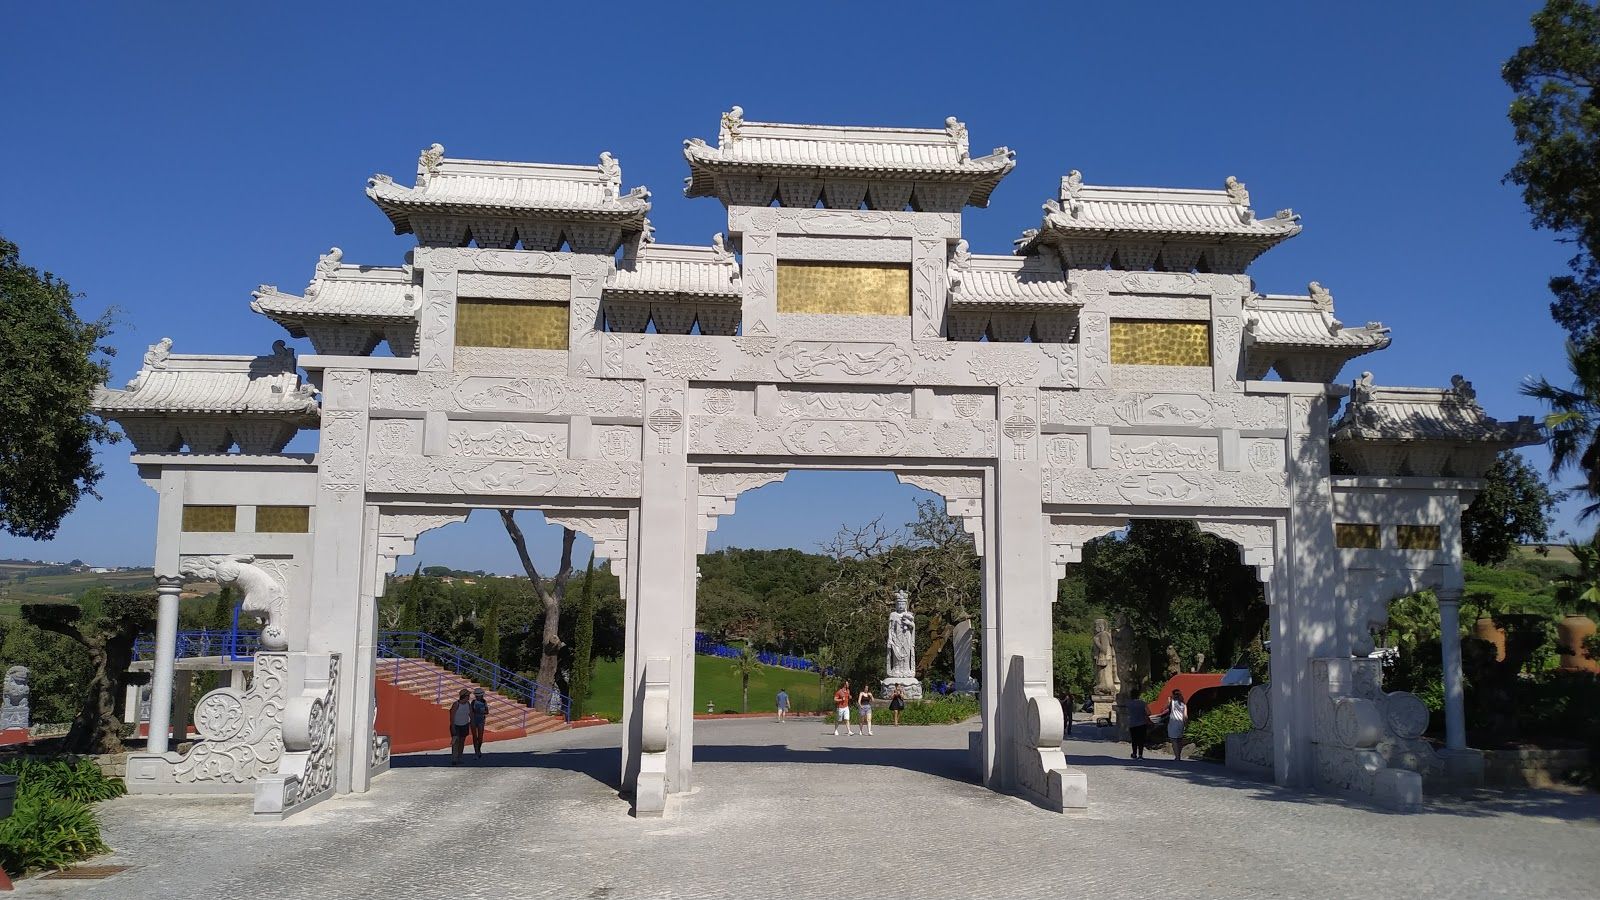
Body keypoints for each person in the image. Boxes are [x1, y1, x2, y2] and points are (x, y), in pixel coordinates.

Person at [448, 688, 471, 766]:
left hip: (465, 725)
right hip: (456, 725)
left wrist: (472, 723)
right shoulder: (456, 704)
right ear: (465, 696)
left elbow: (470, 714)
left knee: (462, 742)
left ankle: (459, 757)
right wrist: (453, 727)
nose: (469, 697)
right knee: (455, 742)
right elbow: (452, 716)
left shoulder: (468, 704)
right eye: (468, 695)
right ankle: (454, 758)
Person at [1124, 691, 1150, 760]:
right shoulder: (1142, 703)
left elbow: (1126, 713)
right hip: (1142, 723)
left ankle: (1134, 753)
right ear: (1139, 695)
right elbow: (1148, 712)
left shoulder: (1128, 704)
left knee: (1134, 739)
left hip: (1132, 724)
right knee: (1141, 739)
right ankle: (1140, 755)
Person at [1167, 689, 1189, 761]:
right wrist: (1186, 724)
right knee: (1179, 740)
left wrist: (1169, 699)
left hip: (1173, 724)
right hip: (1181, 723)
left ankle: (1177, 757)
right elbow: (1185, 716)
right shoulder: (1183, 704)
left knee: (1174, 741)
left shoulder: (1172, 702)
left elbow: (1167, 707)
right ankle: (1178, 755)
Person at [469, 688, 490, 758]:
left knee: (480, 737)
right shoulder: (473, 702)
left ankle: (478, 749)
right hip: (474, 720)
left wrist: (481, 711)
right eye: (477, 695)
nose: (478, 696)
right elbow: (471, 711)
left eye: (479, 695)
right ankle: (476, 751)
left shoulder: (484, 702)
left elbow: (487, 711)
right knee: (475, 737)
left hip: (481, 720)